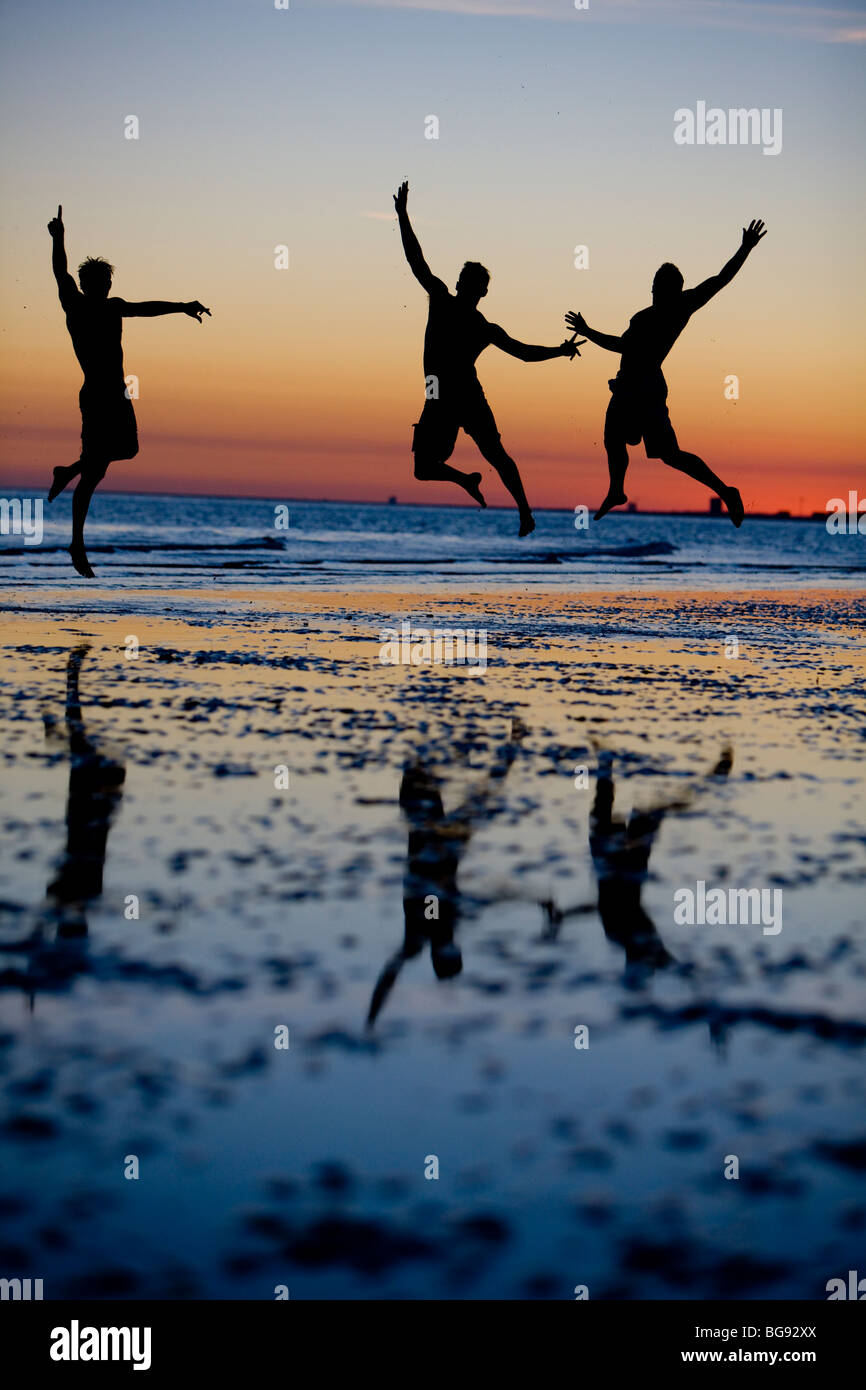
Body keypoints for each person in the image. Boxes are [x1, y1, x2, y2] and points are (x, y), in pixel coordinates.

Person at [394, 181, 580, 537]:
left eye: (469, 281)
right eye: (463, 278)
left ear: (480, 291)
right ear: (463, 283)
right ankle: (471, 481)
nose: (463, 284)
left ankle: (524, 511)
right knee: (425, 468)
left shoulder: (474, 320)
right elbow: (416, 261)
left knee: (492, 455)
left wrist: (558, 350)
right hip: (442, 394)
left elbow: (524, 353)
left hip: (455, 394)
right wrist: (403, 218)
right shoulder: (447, 302)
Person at [566, 220, 767, 525]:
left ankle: (726, 492)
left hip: (643, 389)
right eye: (653, 288)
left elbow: (720, 280)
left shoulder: (680, 307)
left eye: (660, 289)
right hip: (629, 387)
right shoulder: (642, 316)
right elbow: (622, 345)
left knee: (667, 454)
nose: (654, 293)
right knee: (613, 438)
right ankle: (617, 490)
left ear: (674, 290)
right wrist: (588, 331)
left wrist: (745, 248)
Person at [46, 205, 211, 576]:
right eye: (99, 283)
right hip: (97, 396)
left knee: (126, 451)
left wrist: (181, 306)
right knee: (95, 474)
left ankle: (67, 473)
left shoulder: (110, 307)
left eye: (106, 283)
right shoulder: (76, 304)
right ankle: (76, 543)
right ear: (90, 284)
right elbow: (60, 272)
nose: (104, 288)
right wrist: (59, 239)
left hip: (116, 394)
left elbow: (145, 308)